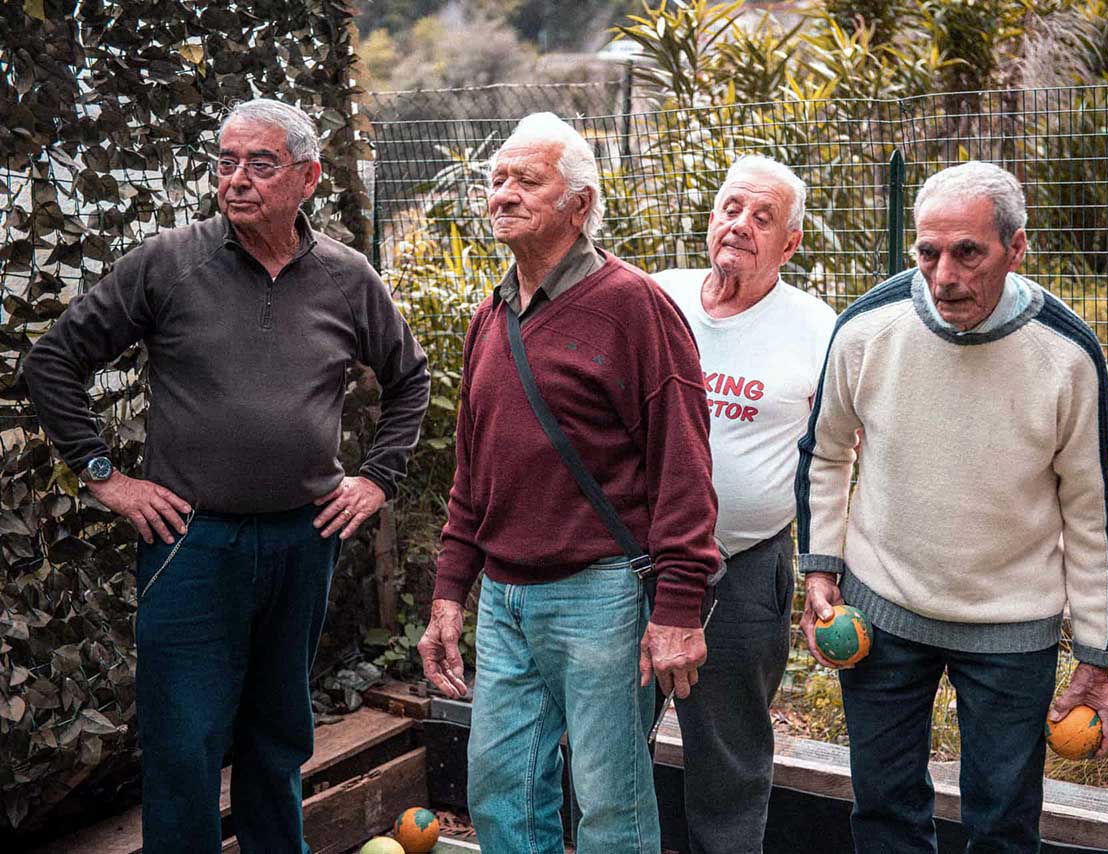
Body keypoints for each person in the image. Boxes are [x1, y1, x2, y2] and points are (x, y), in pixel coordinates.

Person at [22, 99, 431, 854]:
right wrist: (105, 475)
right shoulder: (169, 263)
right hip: (190, 542)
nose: (236, 180)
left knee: (278, 737)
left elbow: (411, 379)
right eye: (226, 161)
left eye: (260, 164)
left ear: (307, 178)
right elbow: (53, 362)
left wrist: (377, 479)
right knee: (184, 746)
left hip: (304, 541)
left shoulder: (347, 277)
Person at [796, 160, 1108, 852]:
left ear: (1017, 247)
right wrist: (821, 568)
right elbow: (826, 453)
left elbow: (1091, 513)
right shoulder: (867, 329)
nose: (944, 275)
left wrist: (1095, 656)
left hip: (1013, 628)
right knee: (884, 813)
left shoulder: (1068, 356)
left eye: (968, 252)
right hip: (883, 612)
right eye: (928, 252)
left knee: (1003, 826)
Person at [416, 112, 720, 854]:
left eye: (527, 180)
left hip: (603, 596)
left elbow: (684, 465)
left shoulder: (634, 306)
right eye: (496, 179)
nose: (503, 195)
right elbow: (472, 474)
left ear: (578, 205)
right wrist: (450, 594)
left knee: (611, 806)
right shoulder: (491, 315)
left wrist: (678, 603)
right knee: (499, 794)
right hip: (507, 601)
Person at [651, 155, 835, 854]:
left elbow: (840, 459)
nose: (741, 226)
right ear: (710, 219)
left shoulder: (817, 330)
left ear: (790, 245)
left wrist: (826, 569)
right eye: (731, 209)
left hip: (744, 571)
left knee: (728, 759)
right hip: (632, 564)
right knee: (607, 741)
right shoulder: (654, 298)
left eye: (763, 219)